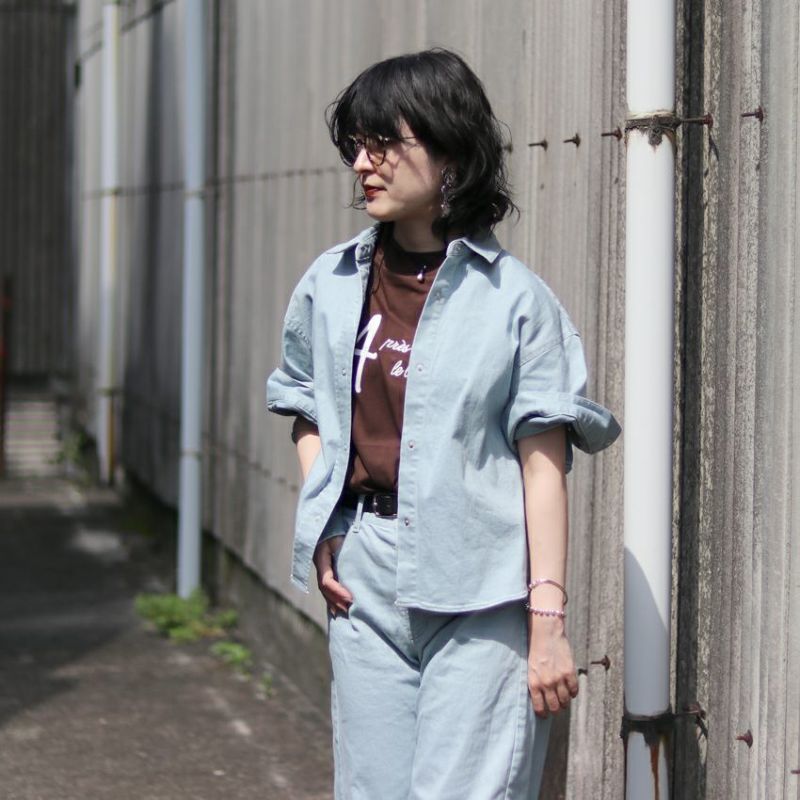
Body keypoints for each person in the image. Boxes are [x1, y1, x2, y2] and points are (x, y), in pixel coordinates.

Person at [267, 48, 620, 800]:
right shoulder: (331, 283)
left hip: (480, 589)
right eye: (356, 145)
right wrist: (324, 522)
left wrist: (547, 618)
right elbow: (305, 405)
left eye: (383, 144)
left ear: (450, 154)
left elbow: (543, 468)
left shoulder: (515, 301)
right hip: (364, 576)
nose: (363, 164)